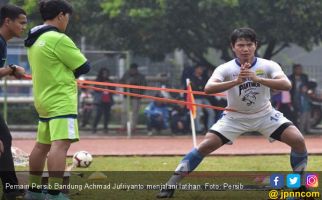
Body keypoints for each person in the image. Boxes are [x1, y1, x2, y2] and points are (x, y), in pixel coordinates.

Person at [157, 28, 309, 198]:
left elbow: (286, 84)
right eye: (241, 45)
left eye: (249, 45)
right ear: (233, 47)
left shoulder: (268, 65)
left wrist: (258, 79)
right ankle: (170, 185)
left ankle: (299, 187)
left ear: (255, 46)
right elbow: (208, 88)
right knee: (204, 147)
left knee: (298, 140)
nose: (245, 49)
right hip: (234, 117)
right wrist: (236, 81)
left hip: (265, 115)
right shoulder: (225, 68)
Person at [24, 0, 90, 199]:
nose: (67, 22)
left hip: (43, 99)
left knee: (41, 146)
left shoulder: (34, 38)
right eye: (67, 17)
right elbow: (83, 67)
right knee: (60, 145)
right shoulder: (58, 38)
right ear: (61, 15)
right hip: (61, 99)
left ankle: (34, 192)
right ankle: (54, 193)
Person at [0, 4, 26, 200]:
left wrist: (10, 70)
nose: (24, 27)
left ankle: (11, 189)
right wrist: (10, 69)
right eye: (21, 22)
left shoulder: (3, 43)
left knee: (5, 139)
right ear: (7, 21)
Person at [120, 63, 147, 132]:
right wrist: (126, 83)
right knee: (124, 111)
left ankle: (133, 127)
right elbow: (121, 82)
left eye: (134, 69)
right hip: (127, 96)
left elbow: (144, 85)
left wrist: (135, 84)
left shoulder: (140, 76)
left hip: (136, 97)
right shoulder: (126, 75)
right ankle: (123, 126)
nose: (133, 70)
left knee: (135, 112)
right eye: (132, 69)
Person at [190, 65, 216, 133]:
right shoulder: (192, 78)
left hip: (204, 97)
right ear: (196, 69)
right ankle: (198, 129)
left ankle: (210, 128)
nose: (201, 70)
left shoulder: (203, 78)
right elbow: (195, 88)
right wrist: (201, 88)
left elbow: (206, 87)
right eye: (200, 68)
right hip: (197, 98)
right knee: (198, 114)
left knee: (211, 112)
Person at [92, 68, 114, 134]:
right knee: (98, 114)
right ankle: (94, 127)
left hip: (108, 100)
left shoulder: (110, 81)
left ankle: (105, 128)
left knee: (107, 115)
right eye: (104, 73)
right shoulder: (98, 80)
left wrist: (109, 85)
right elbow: (95, 89)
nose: (105, 75)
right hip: (100, 100)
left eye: (106, 73)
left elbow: (113, 89)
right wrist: (102, 85)